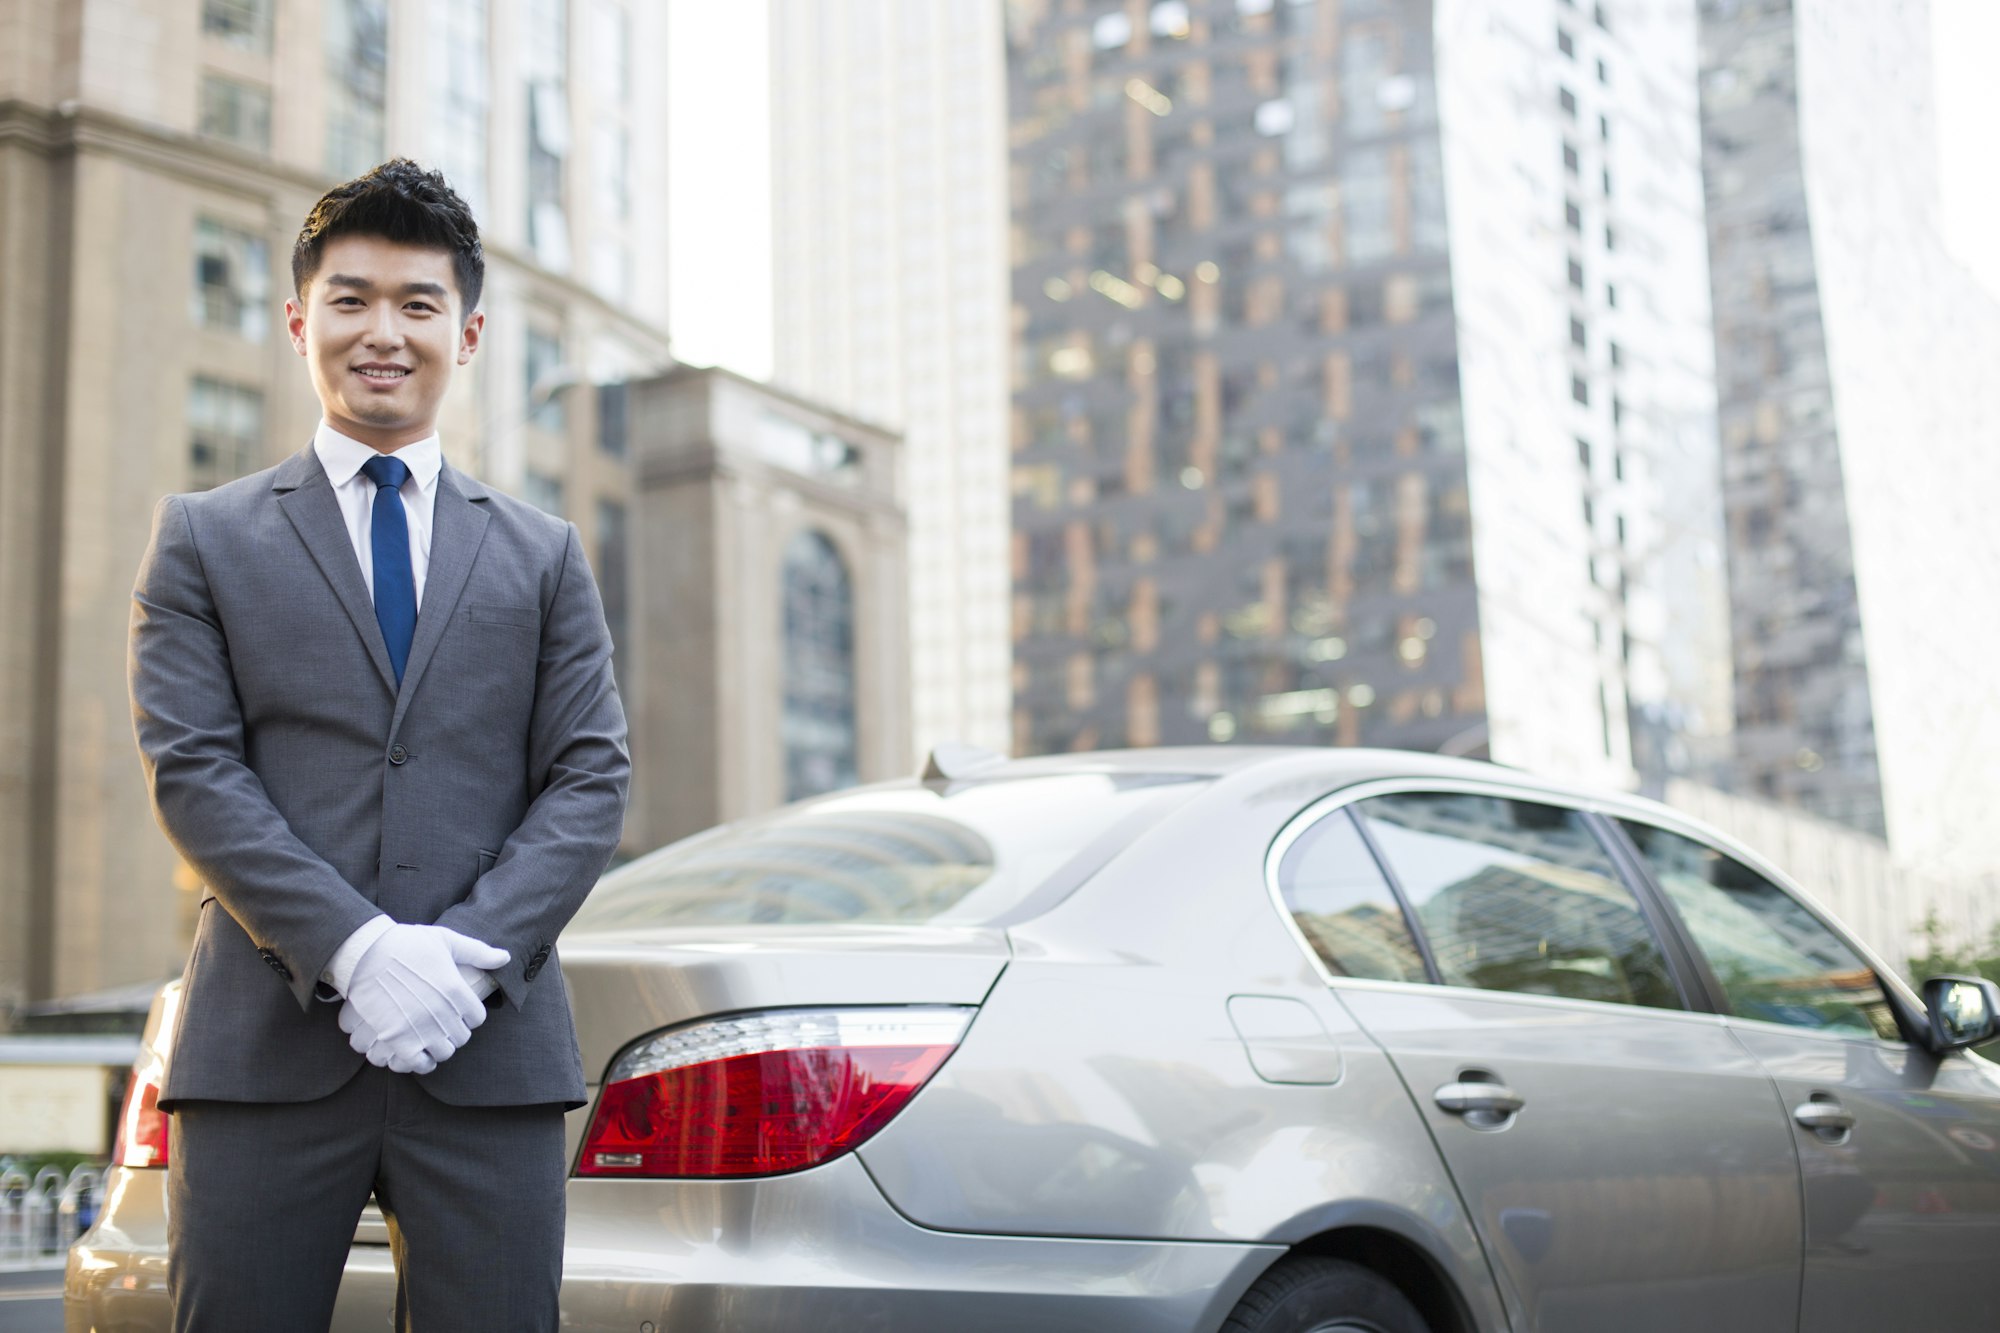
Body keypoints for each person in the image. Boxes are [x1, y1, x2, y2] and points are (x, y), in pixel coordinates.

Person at [127, 159, 629, 1332]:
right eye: (351, 300)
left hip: (486, 1049)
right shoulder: (203, 538)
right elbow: (194, 768)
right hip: (264, 1051)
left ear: (469, 331)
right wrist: (357, 952)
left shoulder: (544, 553)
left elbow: (589, 776)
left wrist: (460, 960)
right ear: (300, 320)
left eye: (418, 304)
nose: (383, 333)